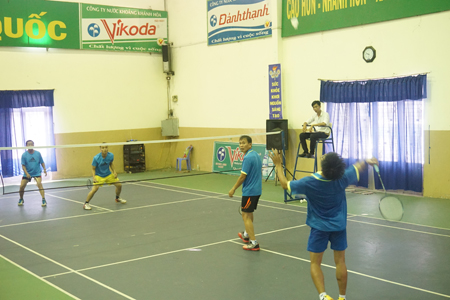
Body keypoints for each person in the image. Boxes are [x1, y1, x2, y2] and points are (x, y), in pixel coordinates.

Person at [269, 149, 378, 300]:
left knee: (315, 263)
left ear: (324, 166)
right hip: (338, 227)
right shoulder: (342, 178)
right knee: (340, 262)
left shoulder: (310, 182)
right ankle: (342, 297)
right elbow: (357, 167)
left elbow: (283, 184)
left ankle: (323, 296)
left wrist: (278, 165)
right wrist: (366, 161)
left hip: (319, 228)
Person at [228, 135, 262, 251]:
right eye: (240, 143)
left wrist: (233, 188)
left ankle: (254, 242)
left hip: (250, 191)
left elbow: (243, 176)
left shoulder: (248, 158)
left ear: (250, 144)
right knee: (249, 213)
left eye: (243, 143)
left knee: (245, 215)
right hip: (257, 190)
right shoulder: (256, 155)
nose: (241, 145)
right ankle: (246, 235)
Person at [84, 144, 126, 210]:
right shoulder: (96, 158)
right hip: (99, 175)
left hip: (108, 174)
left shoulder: (111, 155)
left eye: (106, 147)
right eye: (103, 148)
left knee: (119, 185)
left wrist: (114, 171)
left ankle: (117, 198)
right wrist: (94, 178)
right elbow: (93, 169)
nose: (104, 149)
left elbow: (111, 163)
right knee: (95, 189)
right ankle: (86, 203)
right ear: (100, 149)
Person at [19, 140, 47, 207]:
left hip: (37, 173)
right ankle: (21, 199)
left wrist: (44, 169)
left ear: (33, 145)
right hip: (27, 173)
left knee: (39, 184)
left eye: (31, 144)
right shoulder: (24, 155)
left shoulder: (38, 153)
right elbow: (23, 165)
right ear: (26, 146)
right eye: (29, 144)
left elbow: (42, 162)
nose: (30, 145)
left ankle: (43, 199)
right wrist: (27, 173)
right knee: (21, 187)